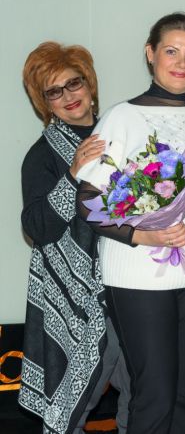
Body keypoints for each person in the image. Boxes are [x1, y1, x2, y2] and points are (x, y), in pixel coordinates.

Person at [77, 12, 185, 434]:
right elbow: (88, 201)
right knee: (154, 392)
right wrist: (144, 233)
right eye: (171, 51)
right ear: (150, 53)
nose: (182, 62)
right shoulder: (121, 117)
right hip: (136, 274)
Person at [18, 42, 130, 434]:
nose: (68, 96)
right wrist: (72, 174)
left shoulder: (122, 134)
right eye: (54, 91)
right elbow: (37, 227)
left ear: (90, 84)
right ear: (45, 103)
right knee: (73, 407)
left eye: (74, 83)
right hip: (73, 301)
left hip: (129, 284)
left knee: (143, 393)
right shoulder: (42, 155)